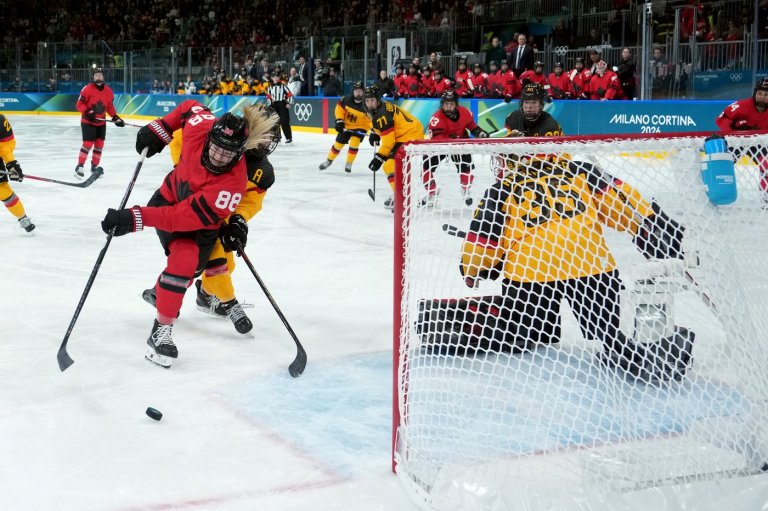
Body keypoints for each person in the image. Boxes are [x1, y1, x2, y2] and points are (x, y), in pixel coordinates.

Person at [458, 135, 692, 383]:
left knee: (527, 334)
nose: (502, 163)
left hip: (531, 274)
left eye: (505, 157)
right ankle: (634, 347)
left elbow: (483, 242)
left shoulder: (502, 189)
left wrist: (473, 271)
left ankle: (535, 334)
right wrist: (648, 225)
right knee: (611, 331)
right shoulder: (581, 170)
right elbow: (625, 205)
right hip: (591, 267)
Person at [99, 99, 278, 368]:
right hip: (168, 198)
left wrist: (133, 217)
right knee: (184, 261)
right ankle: (161, 331)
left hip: (198, 218)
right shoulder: (201, 127)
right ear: (210, 135)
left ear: (240, 153)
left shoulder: (231, 185)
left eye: (228, 154)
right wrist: (160, 128)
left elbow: (180, 218)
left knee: (195, 267)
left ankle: (171, 292)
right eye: (216, 148)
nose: (218, 157)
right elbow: (190, 107)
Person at [144, 103, 282, 335]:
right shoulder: (221, 142)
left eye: (271, 137)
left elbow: (251, 201)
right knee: (208, 260)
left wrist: (239, 220)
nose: (267, 142)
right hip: (195, 206)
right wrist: (187, 171)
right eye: (265, 135)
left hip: (221, 214)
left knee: (223, 263)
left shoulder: (262, 171)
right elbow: (183, 137)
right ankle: (228, 302)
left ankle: (200, 295)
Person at [422, 90, 488, 206]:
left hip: (460, 144)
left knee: (466, 169)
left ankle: (465, 188)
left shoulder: (464, 112)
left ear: (456, 105)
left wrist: (480, 132)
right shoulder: (436, 118)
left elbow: (472, 126)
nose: (448, 107)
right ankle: (432, 193)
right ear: (442, 105)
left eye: (451, 104)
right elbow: (439, 140)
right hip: (439, 147)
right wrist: (453, 140)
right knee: (426, 168)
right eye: (446, 104)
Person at [364, 85, 425, 211]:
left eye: (372, 100)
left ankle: (402, 198)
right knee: (392, 165)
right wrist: (375, 132)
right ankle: (400, 193)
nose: (369, 104)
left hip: (408, 135)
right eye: (367, 100)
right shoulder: (381, 107)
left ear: (377, 99)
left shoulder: (382, 114)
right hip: (407, 132)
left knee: (389, 165)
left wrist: (379, 157)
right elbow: (384, 125)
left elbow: (388, 141)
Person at [716, 78, 768, 199]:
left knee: (767, 165)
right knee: (723, 165)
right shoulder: (741, 106)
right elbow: (721, 119)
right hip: (736, 142)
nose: (762, 97)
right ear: (755, 93)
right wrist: (733, 130)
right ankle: (717, 193)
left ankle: (766, 197)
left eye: (766, 94)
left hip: (758, 144)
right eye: (760, 93)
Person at [74, 68, 125, 178]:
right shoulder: (87, 89)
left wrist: (115, 117)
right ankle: (80, 166)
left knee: (99, 145)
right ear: (93, 77)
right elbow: (79, 104)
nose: (98, 77)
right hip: (88, 121)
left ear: (103, 77)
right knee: (88, 144)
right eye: (96, 75)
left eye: (100, 75)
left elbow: (110, 107)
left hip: (101, 123)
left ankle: (94, 167)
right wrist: (88, 111)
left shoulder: (108, 91)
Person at [319, 81, 372, 173]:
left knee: (354, 142)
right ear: (353, 91)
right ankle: (329, 160)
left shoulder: (367, 104)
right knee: (338, 144)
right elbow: (339, 110)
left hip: (361, 127)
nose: (358, 93)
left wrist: (373, 130)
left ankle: (349, 163)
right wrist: (339, 121)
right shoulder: (346, 100)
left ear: (363, 92)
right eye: (356, 91)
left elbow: (372, 119)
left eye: (360, 91)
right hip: (347, 126)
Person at [0, 114, 34, 232]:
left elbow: (5, 145)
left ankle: (22, 218)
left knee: (3, 191)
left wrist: (11, 164)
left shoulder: (0, 120)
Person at [266, 73, 294, 144]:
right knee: (275, 122)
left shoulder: (283, 86)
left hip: (282, 104)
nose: (276, 78)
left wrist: (289, 103)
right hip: (274, 105)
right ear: (272, 78)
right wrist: (270, 102)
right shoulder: (270, 87)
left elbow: (290, 94)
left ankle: (289, 138)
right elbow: (268, 97)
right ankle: (277, 137)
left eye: (277, 77)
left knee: (284, 121)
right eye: (274, 77)